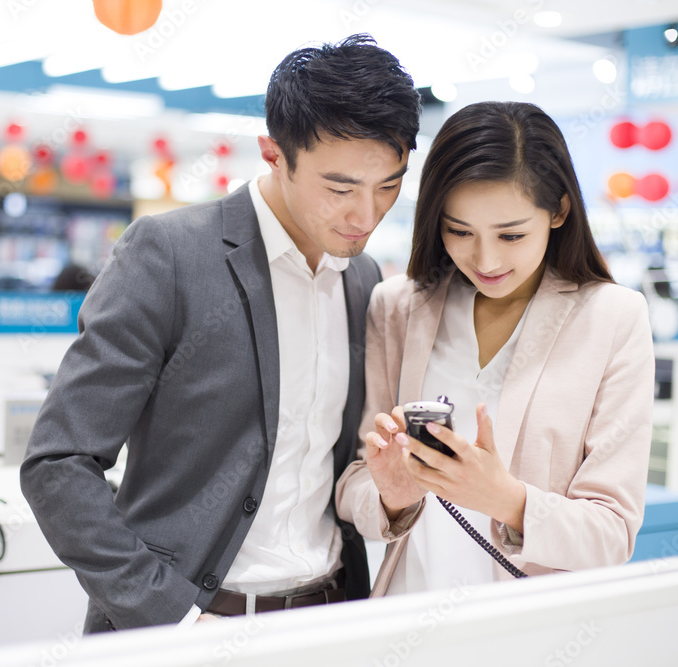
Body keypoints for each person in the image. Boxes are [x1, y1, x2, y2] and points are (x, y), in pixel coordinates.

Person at [21, 34, 422, 631]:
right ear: (274, 154)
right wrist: (173, 616)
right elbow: (58, 462)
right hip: (190, 632)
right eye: (339, 188)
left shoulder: (360, 276)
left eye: (388, 186)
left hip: (330, 619)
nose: (365, 216)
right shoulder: (170, 255)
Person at [336, 101, 654, 595]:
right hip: (408, 611)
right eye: (459, 231)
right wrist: (391, 497)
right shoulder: (397, 306)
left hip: (529, 629)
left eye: (511, 235)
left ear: (559, 211)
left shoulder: (612, 318)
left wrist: (506, 499)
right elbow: (355, 479)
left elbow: (612, 534)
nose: (484, 259)